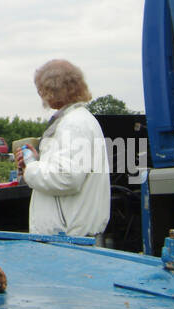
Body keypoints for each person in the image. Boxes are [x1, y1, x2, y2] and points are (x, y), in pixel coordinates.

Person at [17, 59, 110, 241]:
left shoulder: (73, 125)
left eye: (41, 89)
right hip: (74, 236)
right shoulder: (80, 120)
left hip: (68, 238)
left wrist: (31, 167)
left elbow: (67, 178)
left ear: (52, 90)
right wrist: (39, 160)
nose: (41, 95)